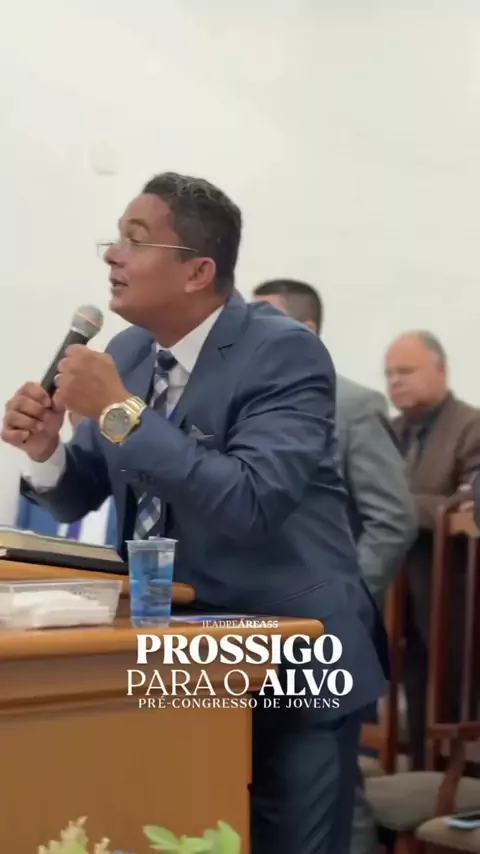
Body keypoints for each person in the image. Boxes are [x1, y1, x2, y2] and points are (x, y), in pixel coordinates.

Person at [2, 172, 387, 854]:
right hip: (175, 656)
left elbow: (251, 499)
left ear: (197, 271)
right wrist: (45, 451)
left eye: (135, 239)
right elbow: (82, 489)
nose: (112, 255)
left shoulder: (282, 351)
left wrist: (117, 409)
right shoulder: (128, 353)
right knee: (181, 828)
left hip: (292, 655)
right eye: (114, 238)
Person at [253, 278, 415, 854]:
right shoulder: (245, 402)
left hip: (327, 628)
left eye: (262, 320)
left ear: (305, 331)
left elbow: (393, 518)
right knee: (271, 789)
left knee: (332, 793)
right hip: (258, 629)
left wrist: (338, 598)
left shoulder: (352, 404)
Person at [385, 330, 480, 769]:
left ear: (440, 370)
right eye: (389, 373)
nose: (395, 381)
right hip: (399, 588)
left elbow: (466, 504)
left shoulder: (471, 427)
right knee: (414, 681)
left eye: (405, 371)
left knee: (455, 691)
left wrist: (397, 506)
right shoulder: (389, 431)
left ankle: (461, 782)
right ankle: (422, 773)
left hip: (454, 592)